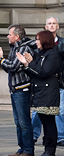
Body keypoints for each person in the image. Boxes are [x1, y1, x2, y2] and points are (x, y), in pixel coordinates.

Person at [0, 25, 36, 156]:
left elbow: (13, 66)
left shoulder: (24, 48)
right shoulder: (15, 48)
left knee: (24, 122)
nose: (7, 37)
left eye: (9, 34)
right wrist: (1, 59)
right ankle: (22, 149)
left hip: (23, 89)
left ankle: (28, 150)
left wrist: (0, 59)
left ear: (17, 36)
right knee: (18, 122)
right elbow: (9, 68)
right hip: (15, 90)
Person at [17, 30, 62, 156]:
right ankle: (47, 150)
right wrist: (27, 64)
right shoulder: (42, 54)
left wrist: (29, 63)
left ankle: (50, 151)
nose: (36, 42)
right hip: (41, 93)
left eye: (38, 39)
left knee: (49, 123)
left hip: (48, 94)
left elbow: (44, 72)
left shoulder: (53, 55)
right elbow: (35, 73)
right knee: (44, 121)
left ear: (45, 40)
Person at [30, 16, 64, 146]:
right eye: (49, 23)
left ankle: (59, 138)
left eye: (54, 23)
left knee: (59, 112)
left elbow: (45, 70)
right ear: (45, 26)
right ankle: (34, 135)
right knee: (38, 113)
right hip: (41, 86)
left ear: (58, 26)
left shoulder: (60, 45)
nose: (51, 26)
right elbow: (38, 68)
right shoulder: (40, 50)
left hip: (57, 82)